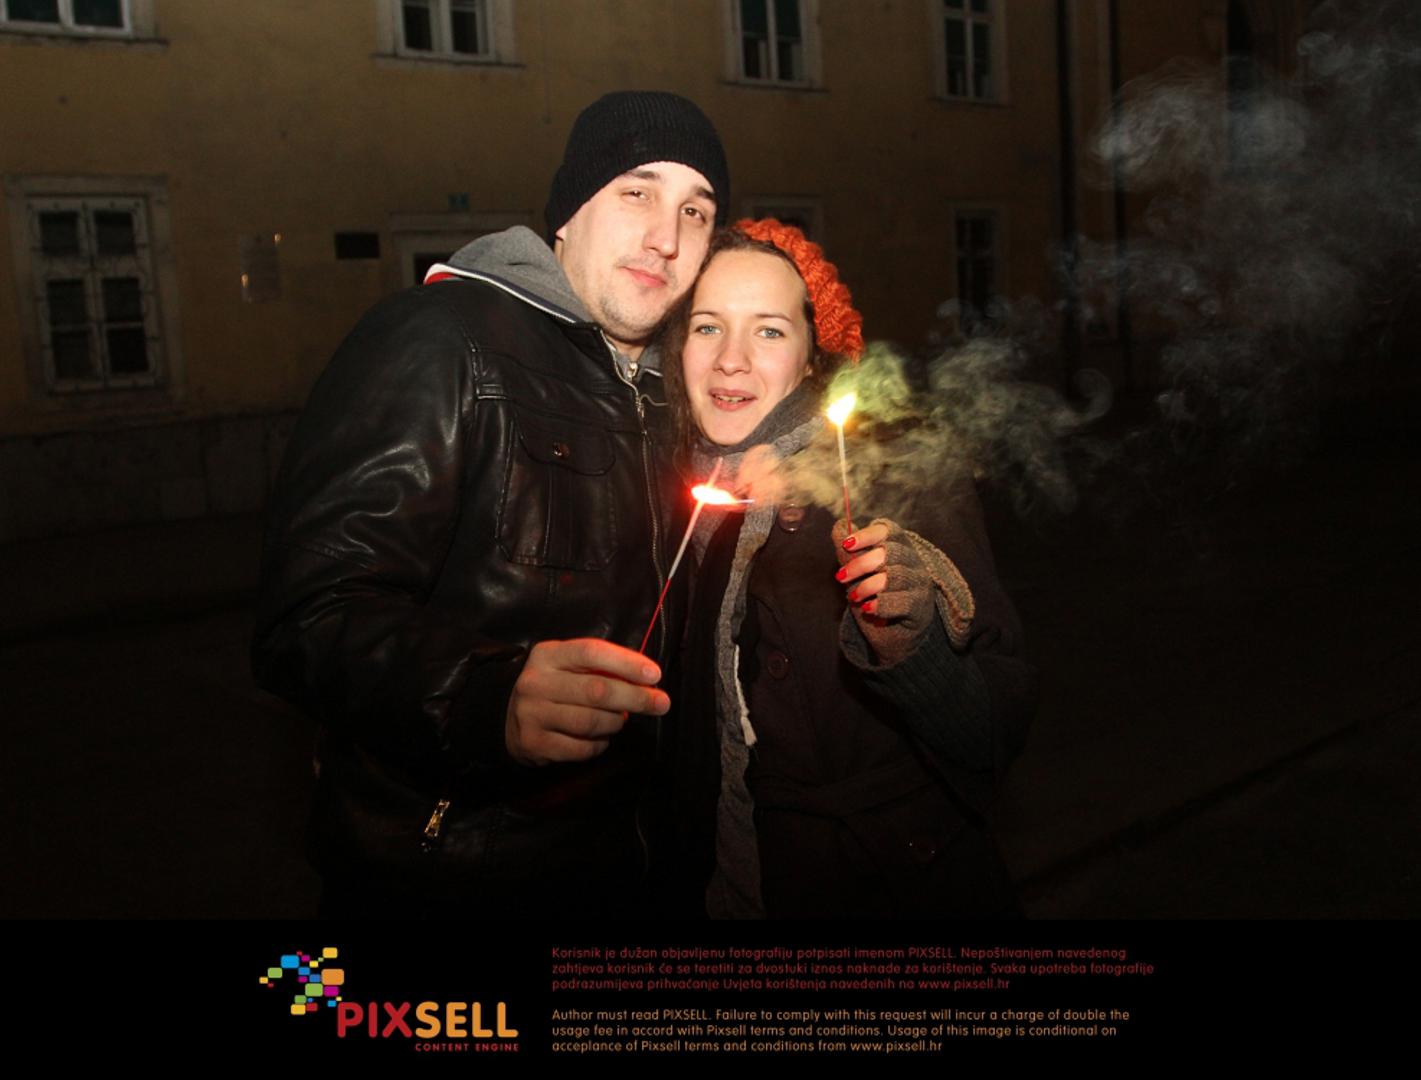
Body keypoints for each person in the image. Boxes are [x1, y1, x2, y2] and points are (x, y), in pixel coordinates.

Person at [251, 91, 730, 918]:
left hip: (629, 872)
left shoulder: (671, 388)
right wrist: (483, 696)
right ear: (567, 213)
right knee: (319, 988)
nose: (667, 236)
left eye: (696, 210)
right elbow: (308, 615)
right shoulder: (442, 339)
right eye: (637, 192)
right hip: (450, 878)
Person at [662, 221, 1037, 918]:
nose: (731, 361)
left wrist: (915, 650)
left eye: (769, 330)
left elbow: (994, 734)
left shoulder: (893, 476)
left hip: (893, 885)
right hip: (734, 879)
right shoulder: (663, 491)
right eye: (707, 327)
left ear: (812, 356)